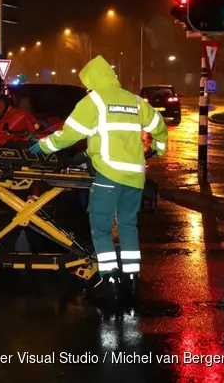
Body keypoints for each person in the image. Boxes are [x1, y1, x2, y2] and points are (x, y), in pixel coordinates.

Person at [29, 56, 167, 306]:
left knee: (101, 227)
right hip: (135, 175)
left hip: (109, 174)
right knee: (127, 225)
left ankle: (110, 282)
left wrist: (43, 146)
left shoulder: (93, 102)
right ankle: (132, 280)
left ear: (92, 81)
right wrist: (159, 145)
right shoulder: (134, 100)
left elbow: (68, 135)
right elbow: (159, 124)